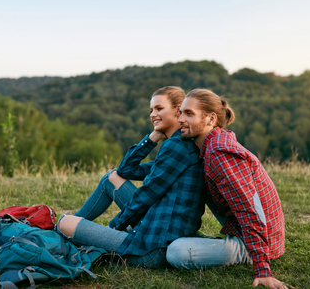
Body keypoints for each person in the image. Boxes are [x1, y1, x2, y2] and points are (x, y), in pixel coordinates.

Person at [58, 86, 206, 268]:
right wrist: (151, 138)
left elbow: (146, 195)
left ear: (178, 110)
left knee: (65, 222)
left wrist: (114, 227)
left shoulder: (176, 147)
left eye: (159, 108)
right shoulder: (179, 145)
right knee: (110, 177)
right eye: (151, 110)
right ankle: (74, 232)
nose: (153, 114)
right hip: (156, 232)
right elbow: (125, 170)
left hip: (151, 248)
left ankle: (63, 236)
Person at [167, 88, 291, 289]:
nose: (181, 118)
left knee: (175, 252)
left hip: (258, 242)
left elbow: (248, 210)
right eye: (180, 112)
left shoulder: (219, 153)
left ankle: (248, 254)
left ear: (210, 119)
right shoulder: (208, 144)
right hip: (245, 230)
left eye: (189, 114)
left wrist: (262, 269)